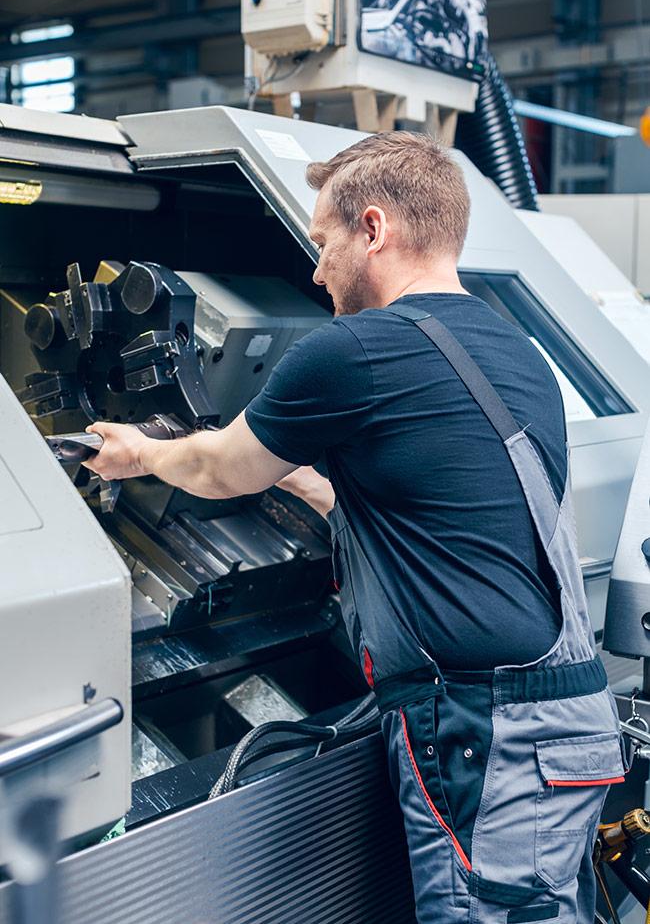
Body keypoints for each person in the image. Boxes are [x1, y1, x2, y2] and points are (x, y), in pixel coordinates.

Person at [83, 131, 624, 924]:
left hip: (485, 734)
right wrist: (304, 476)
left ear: (372, 229)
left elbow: (219, 469)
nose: (314, 269)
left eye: (322, 241)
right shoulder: (518, 351)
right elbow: (445, 521)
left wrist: (143, 452)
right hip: (562, 720)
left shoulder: (356, 350)